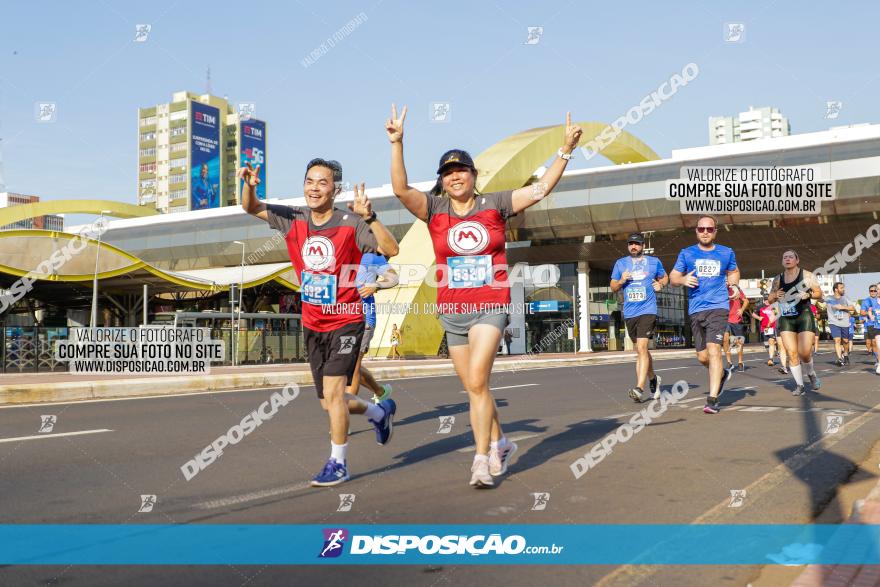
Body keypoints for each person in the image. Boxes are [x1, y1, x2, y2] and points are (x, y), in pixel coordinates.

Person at [386, 103, 582, 487]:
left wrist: (565, 151)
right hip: (452, 311)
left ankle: (481, 459)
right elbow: (399, 189)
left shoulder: (495, 204)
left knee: (477, 380)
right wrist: (397, 143)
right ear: (442, 181)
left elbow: (540, 189)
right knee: (476, 387)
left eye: (461, 169)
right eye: (447, 172)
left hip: (490, 306)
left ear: (474, 175)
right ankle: (502, 441)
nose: (455, 176)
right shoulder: (435, 210)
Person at [239, 158, 400, 487]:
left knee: (336, 393)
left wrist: (369, 216)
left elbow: (390, 249)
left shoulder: (351, 222)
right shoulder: (292, 218)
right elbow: (250, 207)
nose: (314, 188)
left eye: (322, 182)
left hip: (347, 320)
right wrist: (250, 186)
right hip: (313, 324)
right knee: (330, 403)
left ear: (335, 189)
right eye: (310, 181)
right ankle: (379, 413)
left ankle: (338, 464)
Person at [669, 215, 739, 415]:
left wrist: (733, 284)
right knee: (702, 356)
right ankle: (723, 374)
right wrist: (682, 280)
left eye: (709, 229)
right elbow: (673, 277)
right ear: (696, 231)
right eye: (701, 229)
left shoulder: (726, 253)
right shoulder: (687, 253)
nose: (705, 232)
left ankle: (713, 398)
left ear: (715, 231)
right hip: (696, 308)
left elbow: (734, 272)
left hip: (718, 307)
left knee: (714, 350)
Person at [610, 232, 668, 402]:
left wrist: (661, 284)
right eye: (630, 244)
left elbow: (664, 277)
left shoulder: (653, 262)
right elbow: (613, 286)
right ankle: (653, 379)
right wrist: (621, 280)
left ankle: (639, 388)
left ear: (643, 245)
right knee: (640, 350)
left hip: (648, 309)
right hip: (630, 312)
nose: (633, 246)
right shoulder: (620, 264)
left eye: (637, 244)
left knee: (642, 348)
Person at [767, 250, 823, 395]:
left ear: (797, 260)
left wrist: (808, 294)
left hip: (803, 315)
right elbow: (770, 300)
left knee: (804, 353)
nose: (787, 259)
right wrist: (774, 295)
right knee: (792, 353)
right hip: (786, 317)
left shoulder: (807, 275)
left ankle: (811, 374)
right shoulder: (778, 279)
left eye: (790, 257)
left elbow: (819, 293)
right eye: (784, 257)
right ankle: (800, 385)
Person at [348, 252, 397, 403]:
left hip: (363, 319)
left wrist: (376, 285)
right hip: (340, 319)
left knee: (353, 365)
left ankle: (343, 419)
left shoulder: (371, 255)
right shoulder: (340, 250)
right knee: (347, 366)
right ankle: (380, 391)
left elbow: (394, 278)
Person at [826, 282, 855, 367]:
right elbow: (820, 299)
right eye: (841, 288)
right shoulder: (829, 298)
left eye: (843, 287)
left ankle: (845, 355)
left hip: (844, 322)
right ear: (836, 289)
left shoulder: (845, 298)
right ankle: (839, 358)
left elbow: (852, 308)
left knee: (845, 341)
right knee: (837, 340)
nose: (843, 289)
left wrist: (842, 307)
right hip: (833, 322)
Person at [724, 285, 749, 372]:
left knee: (739, 342)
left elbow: (746, 301)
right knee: (725, 339)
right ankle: (729, 362)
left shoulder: (735, 289)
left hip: (736, 319)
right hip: (725, 318)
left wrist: (742, 310)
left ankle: (740, 362)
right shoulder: (719, 289)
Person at [751, 296, 781, 368]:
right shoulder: (760, 307)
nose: (767, 301)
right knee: (766, 344)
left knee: (771, 341)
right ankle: (772, 354)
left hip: (772, 327)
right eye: (765, 300)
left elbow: (777, 316)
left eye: (768, 300)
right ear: (763, 301)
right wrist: (758, 318)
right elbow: (752, 313)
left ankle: (770, 359)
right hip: (763, 328)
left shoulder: (773, 306)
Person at [861, 284, 880, 374]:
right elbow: (862, 312)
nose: (873, 292)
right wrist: (868, 313)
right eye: (871, 291)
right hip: (871, 324)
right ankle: (878, 360)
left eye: (874, 290)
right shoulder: (866, 301)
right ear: (869, 292)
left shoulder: (879, 300)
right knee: (874, 343)